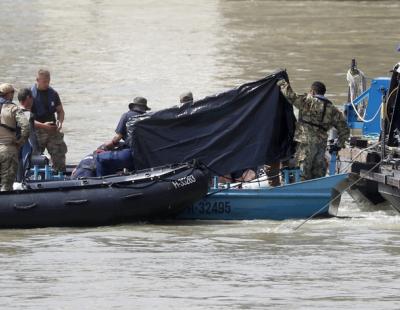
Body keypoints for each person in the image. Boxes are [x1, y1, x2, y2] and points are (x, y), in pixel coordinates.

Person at [277, 78, 350, 180]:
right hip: (321, 146)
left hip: (305, 143)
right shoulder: (333, 110)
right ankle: (319, 193)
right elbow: (345, 130)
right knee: (318, 174)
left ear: (312, 91)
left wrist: (282, 83)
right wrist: (338, 145)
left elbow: (290, 96)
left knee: (302, 173)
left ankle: (300, 193)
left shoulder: (307, 102)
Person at [31, 69, 67, 172]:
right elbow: (26, 118)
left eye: (48, 81)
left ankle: (60, 176)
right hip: (36, 131)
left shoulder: (53, 93)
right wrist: (43, 125)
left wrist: (60, 121)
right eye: (44, 82)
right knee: (34, 158)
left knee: (59, 155)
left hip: (52, 130)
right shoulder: (30, 95)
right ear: (37, 80)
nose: (47, 84)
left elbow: (60, 111)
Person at [0, 83, 30, 191]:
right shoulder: (13, 108)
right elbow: (26, 127)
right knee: (6, 187)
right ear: (8, 94)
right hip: (8, 150)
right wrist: (20, 143)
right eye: (12, 93)